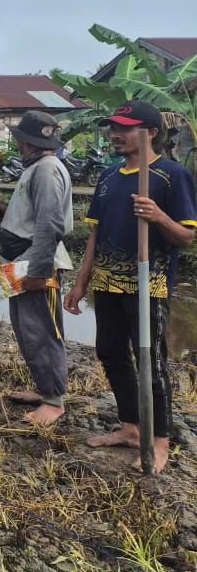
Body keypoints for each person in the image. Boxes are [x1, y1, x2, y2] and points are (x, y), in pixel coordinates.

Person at [64, 102, 197, 473]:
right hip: (107, 283)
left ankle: (159, 440)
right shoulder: (108, 177)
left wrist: (158, 216)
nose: (115, 134)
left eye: (125, 128)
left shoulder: (171, 176)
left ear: (151, 132)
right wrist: (80, 284)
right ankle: (130, 427)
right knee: (110, 352)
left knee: (151, 361)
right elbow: (94, 235)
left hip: (147, 284)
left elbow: (186, 237)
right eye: (113, 128)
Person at [0, 111, 75, 427]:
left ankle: (54, 400)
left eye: (21, 139)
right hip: (21, 261)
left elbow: (50, 223)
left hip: (34, 262)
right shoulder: (36, 168)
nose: (19, 143)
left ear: (27, 142)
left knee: (43, 330)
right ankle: (43, 386)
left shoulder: (47, 170)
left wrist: (39, 271)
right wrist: (6, 211)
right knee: (26, 329)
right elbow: (35, 216)